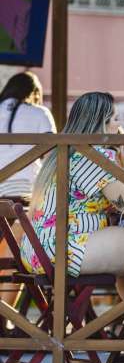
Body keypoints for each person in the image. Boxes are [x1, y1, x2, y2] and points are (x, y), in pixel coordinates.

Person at [20, 92, 124, 341]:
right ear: (100, 123)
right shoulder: (95, 156)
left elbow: (118, 191)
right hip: (64, 247)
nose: (119, 127)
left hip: (39, 248)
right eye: (114, 120)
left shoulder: (71, 151)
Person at [0, 72, 55, 310]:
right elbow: (54, 154)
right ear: (34, 93)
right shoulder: (38, 113)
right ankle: (6, 317)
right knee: (15, 258)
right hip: (22, 202)